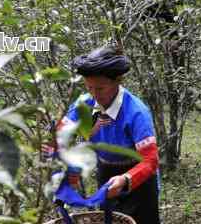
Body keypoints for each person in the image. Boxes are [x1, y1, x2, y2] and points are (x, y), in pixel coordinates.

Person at [55, 46, 160, 223]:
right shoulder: (84, 105)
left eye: (101, 88)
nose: (95, 94)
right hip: (107, 174)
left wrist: (125, 179)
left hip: (138, 180)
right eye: (89, 88)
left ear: (118, 81)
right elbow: (59, 136)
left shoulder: (136, 112)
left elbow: (150, 160)